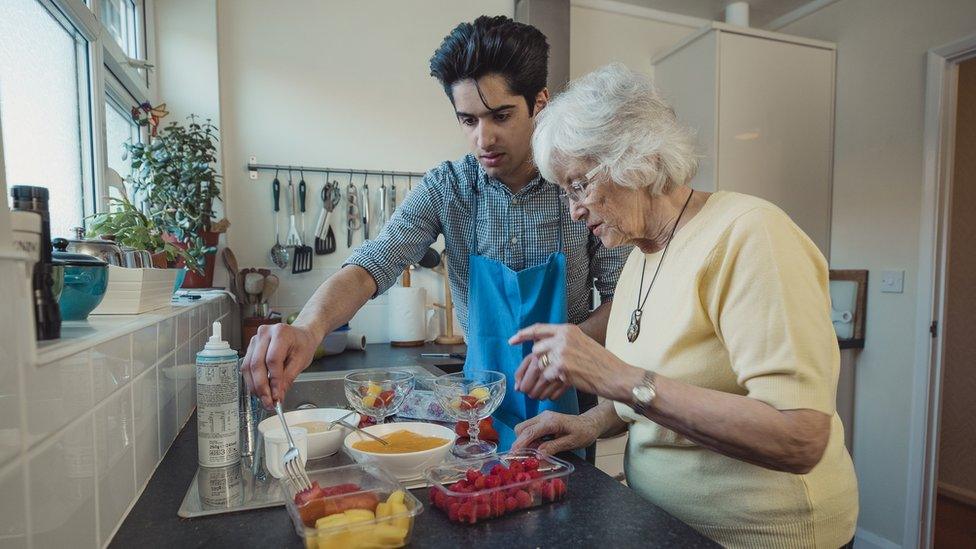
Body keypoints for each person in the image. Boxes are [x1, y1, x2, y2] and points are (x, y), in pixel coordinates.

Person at [509, 63, 858, 548]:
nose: (574, 210)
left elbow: (799, 436)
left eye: (578, 185)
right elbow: (661, 388)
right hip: (664, 522)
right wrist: (589, 423)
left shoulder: (751, 234)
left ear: (636, 159)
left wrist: (618, 377)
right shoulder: (640, 257)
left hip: (762, 536)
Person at [241, 17, 629, 450]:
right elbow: (376, 262)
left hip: (569, 403)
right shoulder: (449, 187)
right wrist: (309, 330)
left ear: (540, 102)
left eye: (501, 116)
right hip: (479, 408)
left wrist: (571, 343)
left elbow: (624, 297)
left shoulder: (580, 185)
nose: (484, 138)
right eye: (468, 120)